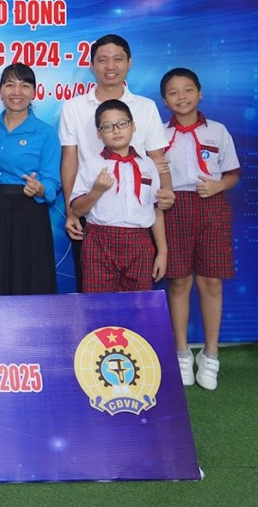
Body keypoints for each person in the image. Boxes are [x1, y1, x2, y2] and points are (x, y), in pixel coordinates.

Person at [59, 34, 173, 291]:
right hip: (93, 212)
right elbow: (70, 160)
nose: (110, 66)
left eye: (118, 59)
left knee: (138, 299)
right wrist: (71, 211)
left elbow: (157, 159)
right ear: (91, 65)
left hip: (137, 216)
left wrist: (166, 192)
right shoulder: (74, 107)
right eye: (102, 60)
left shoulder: (145, 107)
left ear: (129, 62)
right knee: (95, 295)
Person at [159, 68, 241, 390]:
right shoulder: (159, 135)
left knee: (211, 281)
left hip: (211, 206)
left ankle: (210, 354)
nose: (181, 97)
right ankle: (181, 352)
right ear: (165, 100)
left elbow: (232, 173)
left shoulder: (218, 131)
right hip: (174, 208)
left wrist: (219, 185)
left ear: (200, 93)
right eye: (173, 92)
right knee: (179, 281)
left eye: (188, 89)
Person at [69, 100, 167, 293]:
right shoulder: (92, 165)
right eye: (107, 126)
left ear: (133, 126)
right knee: (99, 303)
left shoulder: (147, 165)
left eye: (122, 123)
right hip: (99, 241)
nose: (116, 130)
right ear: (99, 133)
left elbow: (156, 209)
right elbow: (77, 209)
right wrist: (97, 191)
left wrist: (162, 252)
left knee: (137, 304)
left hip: (139, 242)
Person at [0, 63, 61, 295]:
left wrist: (39, 189)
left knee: (28, 279)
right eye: (10, 85)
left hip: (28, 213)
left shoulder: (45, 133)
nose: (16, 92)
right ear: (0, 90)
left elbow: (52, 182)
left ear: (34, 92)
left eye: (24, 85)